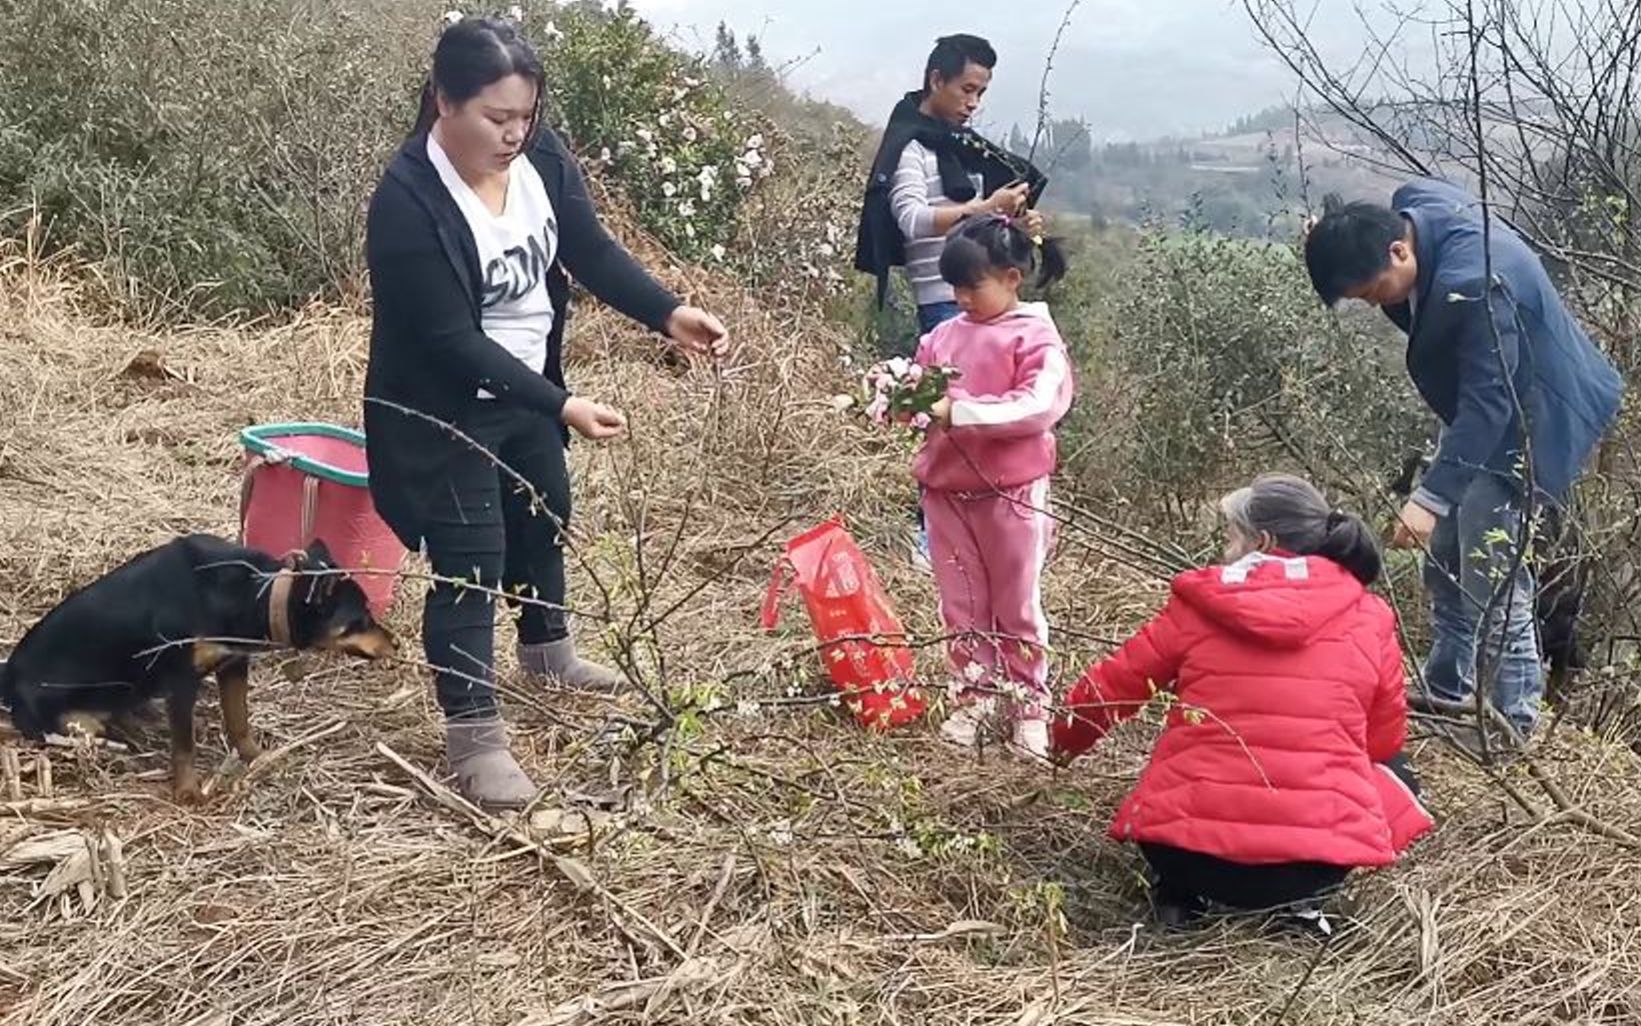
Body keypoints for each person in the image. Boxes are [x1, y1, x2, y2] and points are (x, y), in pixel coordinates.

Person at [363, 17, 728, 808]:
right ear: (442, 102)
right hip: (444, 407)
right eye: (496, 117)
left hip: (527, 387)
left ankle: (547, 651)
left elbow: (587, 247)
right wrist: (562, 404)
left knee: (544, 514)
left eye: (525, 116)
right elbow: (452, 342)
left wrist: (667, 312)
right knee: (471, 559)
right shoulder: (405, 207)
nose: (514, 134)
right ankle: (475, 739)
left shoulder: (540, 159)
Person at [1303, 181, 1623, 739]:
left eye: (1374, 290)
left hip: (1532, 419)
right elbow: (1416, 191)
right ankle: (1447, 691)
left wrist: (1429, 498)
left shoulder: (1474, 284)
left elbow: (1488, 405)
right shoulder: (1415, 211)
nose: (1375, 303)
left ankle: (1509, 727)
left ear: (1400, 252)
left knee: (1493, 579)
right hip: (1488, 405)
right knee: (1445, 562)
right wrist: (1330, 235)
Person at [1052, 475, 1434, 929]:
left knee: (1183, 761)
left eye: (1231, 535)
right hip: (1311, 865)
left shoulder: (1200, 602)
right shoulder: (1370, 616)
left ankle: (1178, 896)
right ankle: (1303, 905)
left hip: (1183, 855)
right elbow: (1383, 739)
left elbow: (1110, 690)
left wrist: (1059, 746)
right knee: (1397, 769)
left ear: (1263, 541)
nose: (1224, 549)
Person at [915, 215, 1071, 759]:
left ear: (1011, 277)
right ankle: (975, 697)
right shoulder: (944, 335)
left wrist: (959, 412)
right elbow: (920, 387)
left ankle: (1030, 706)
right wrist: (897, 399)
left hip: (1012, 494)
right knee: (961, 602)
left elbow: (1038, 406)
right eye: (953, 287)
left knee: (1016, 604)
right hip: (946, 490)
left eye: (972, 286)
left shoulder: (1037, 337)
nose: (961, 298)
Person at [855, 33, 1049, 345]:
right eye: (967, 90)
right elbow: (912, 221)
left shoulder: (965, 149)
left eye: (981, 94)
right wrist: (988, 208)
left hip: (991, 298)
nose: (973, 103)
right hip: (945, 305)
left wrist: (1016, 226)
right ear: (936, 80)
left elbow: (975, 228)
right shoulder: (911, 148)